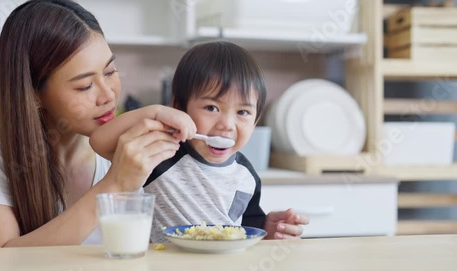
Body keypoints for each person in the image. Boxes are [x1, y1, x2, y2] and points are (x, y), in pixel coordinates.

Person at [0, 0, 196, 248]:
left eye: (110, 72)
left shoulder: (120, 150)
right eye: (85, 86)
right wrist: (114, 184)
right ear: (34, 93)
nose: (108, 96)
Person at [90, 42, 310, 242]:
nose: (227, 124)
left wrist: (268, 230)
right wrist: (156, 112)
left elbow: (247, 230)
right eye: (211, 108)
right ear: (179, 108)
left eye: (242, 112)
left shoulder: (246, 175)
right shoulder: (161, 151)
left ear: (256, 121)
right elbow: (99, 141)